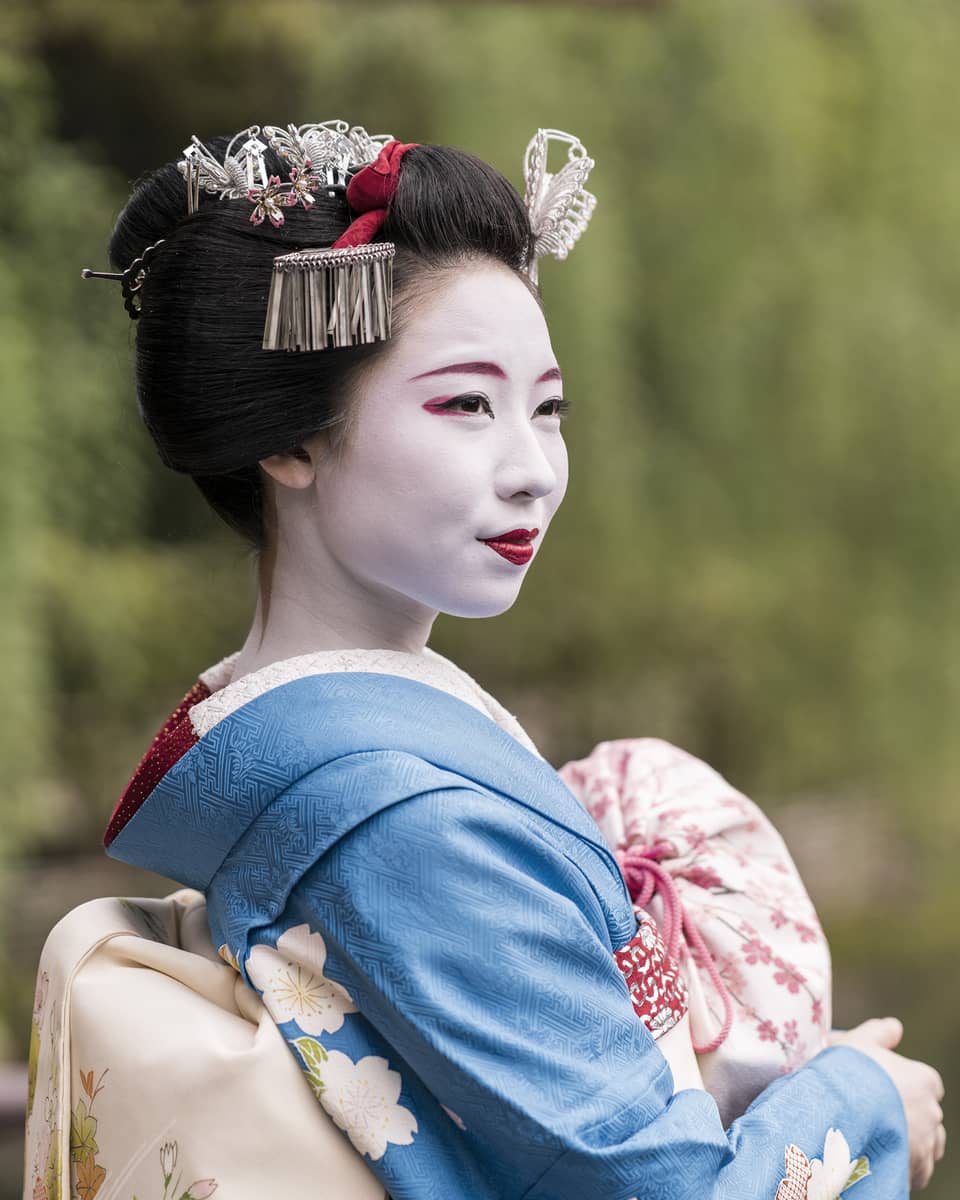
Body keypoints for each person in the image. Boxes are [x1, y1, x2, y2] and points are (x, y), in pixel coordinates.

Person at [88, 122, 942, 1197]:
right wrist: (861, 1103)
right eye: (465, 404)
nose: (533, 469)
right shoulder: (400, 818)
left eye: (548, 408)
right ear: (290, 438)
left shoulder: (346, 772)